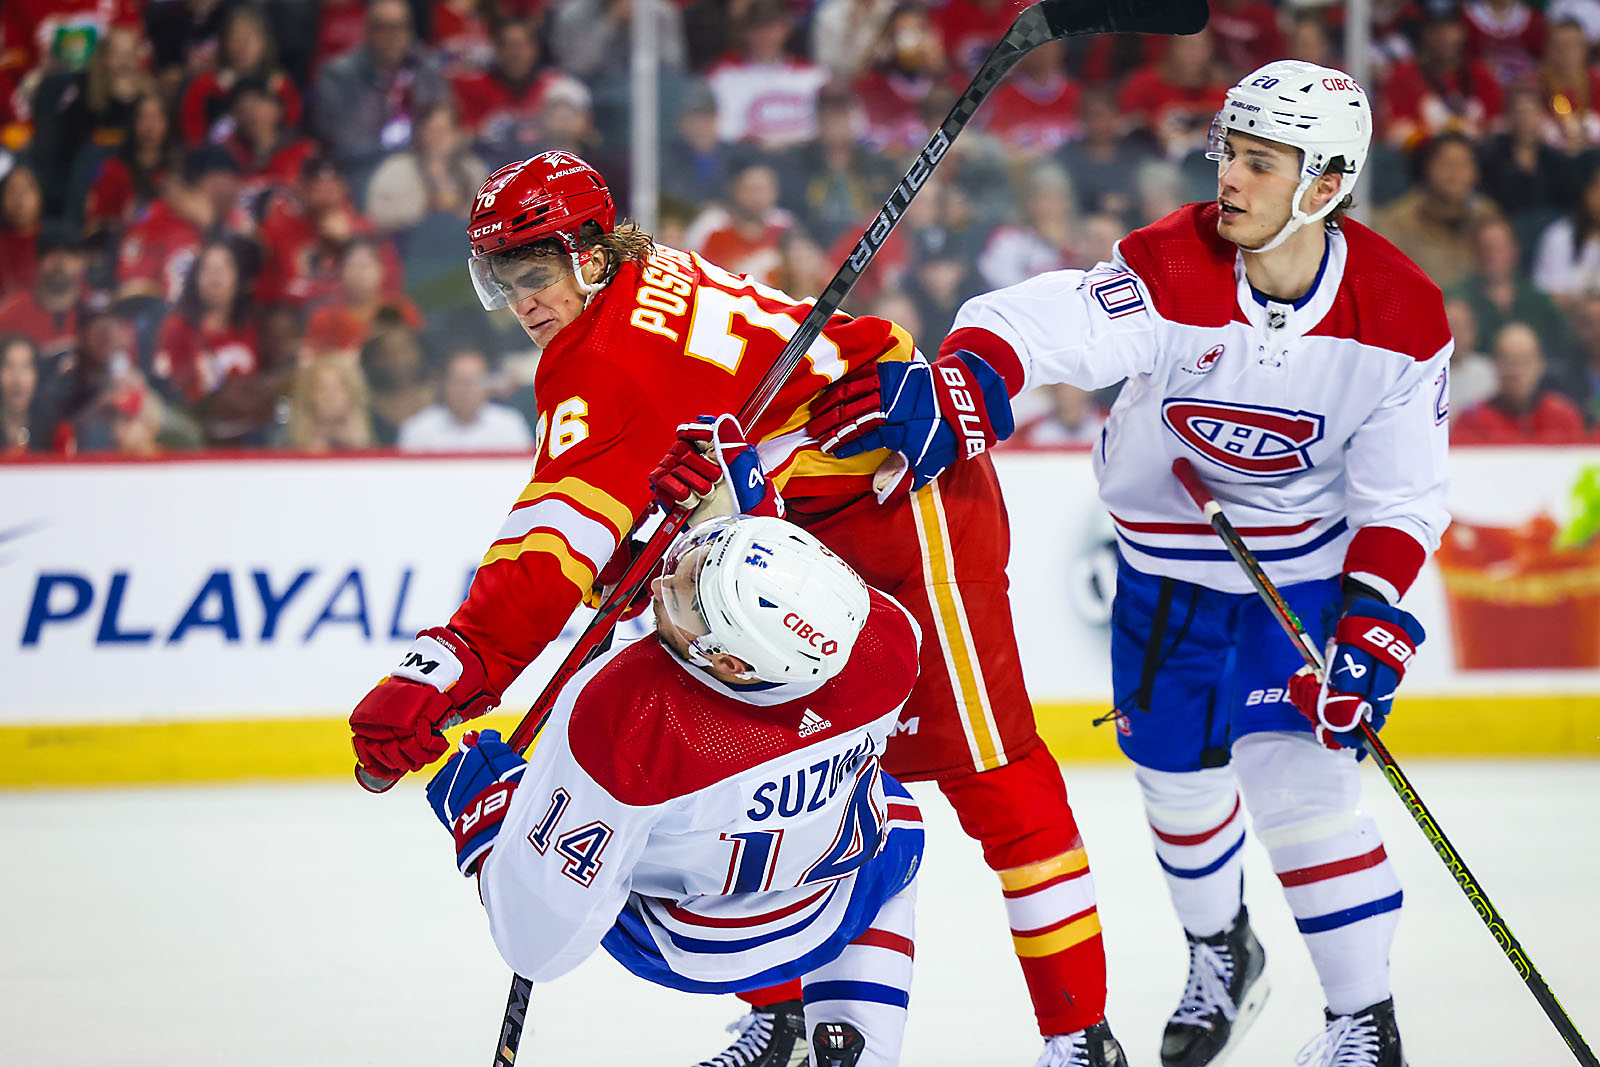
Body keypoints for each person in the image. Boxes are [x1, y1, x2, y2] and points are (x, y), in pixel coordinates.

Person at [347, 150, 1123, 1067]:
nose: (522, 302)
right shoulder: (638, 275)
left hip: (898, 494)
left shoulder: (605, 359)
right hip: (780, 532)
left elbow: (547, 553)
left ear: (589, 254)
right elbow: (668, 454)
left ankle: (1082, 1036)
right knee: (774, 774)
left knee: (993, 771)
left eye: (534, 274)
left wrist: (452, 666)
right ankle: (785, 1015)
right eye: (503, 282)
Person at [811, 61, 1448, 1067]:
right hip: (1165, 573)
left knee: (1301, 792)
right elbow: (1040, 322)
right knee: (1174, 786)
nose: (1227, 176)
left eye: (1260, 162)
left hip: (1302, 581)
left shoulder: (1401, 314)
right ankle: (1222, 950)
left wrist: (1371, 619)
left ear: (1325, 185)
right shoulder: (1170, 266)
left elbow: (1401, 495)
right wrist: (969, 382)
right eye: (1229, 152)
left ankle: (1364, 1021)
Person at [422, 514, 923, 1066]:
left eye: (688, 599)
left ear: (729, 662)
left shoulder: (628, 715)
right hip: (839, 891)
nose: (661, 584)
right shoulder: (887, 636)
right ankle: (860, 1043)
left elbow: (537, 946)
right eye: (693, 564)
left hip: (697, 943)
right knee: (893, 810)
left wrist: (498, 827)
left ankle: (790, 1020)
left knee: (570, 875)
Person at [1452, 321, 1591, 443]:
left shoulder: (1563, 417)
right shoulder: (1471, 420)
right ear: (1493, 364)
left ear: (1541, 365)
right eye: (1507, 361)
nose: (1515, 371)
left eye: (1524, 361)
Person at [396, 346, 533, 452]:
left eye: (473, 383)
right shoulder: (418, 430)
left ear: (486, 386)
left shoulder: (509, 425)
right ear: (445, 385)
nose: (466, 391)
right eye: (460, 382)